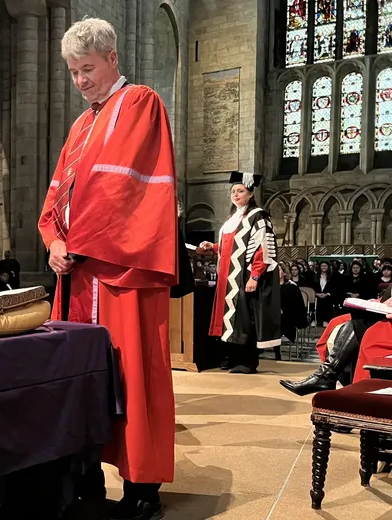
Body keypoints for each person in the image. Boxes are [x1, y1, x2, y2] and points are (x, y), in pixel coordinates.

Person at [37, 18, 184, 520]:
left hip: (124, 273)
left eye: (88, 68)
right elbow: (58, 195)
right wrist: (54, 240)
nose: (81, 80)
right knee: (81, 377)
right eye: (74, 72)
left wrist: (75, 240)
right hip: (78, 277)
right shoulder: (80, 126)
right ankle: (85, 475)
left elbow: (123, 190)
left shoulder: (140, 103)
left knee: (133, 374)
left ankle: (143, 489)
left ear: (113, 60)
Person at [198, 172, 281, 374]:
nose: (235, 194)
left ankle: (247, 361)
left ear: (250, 194)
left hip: (243, 276)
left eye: (240, 191)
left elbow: (264, 248)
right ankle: (231, 357)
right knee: (229, 319)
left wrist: (255, 276)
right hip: (227, 277)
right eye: (233, 191)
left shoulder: (258, 216)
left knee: (244, 319)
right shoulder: (231, 219)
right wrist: (213, 246)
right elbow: (232, 246)